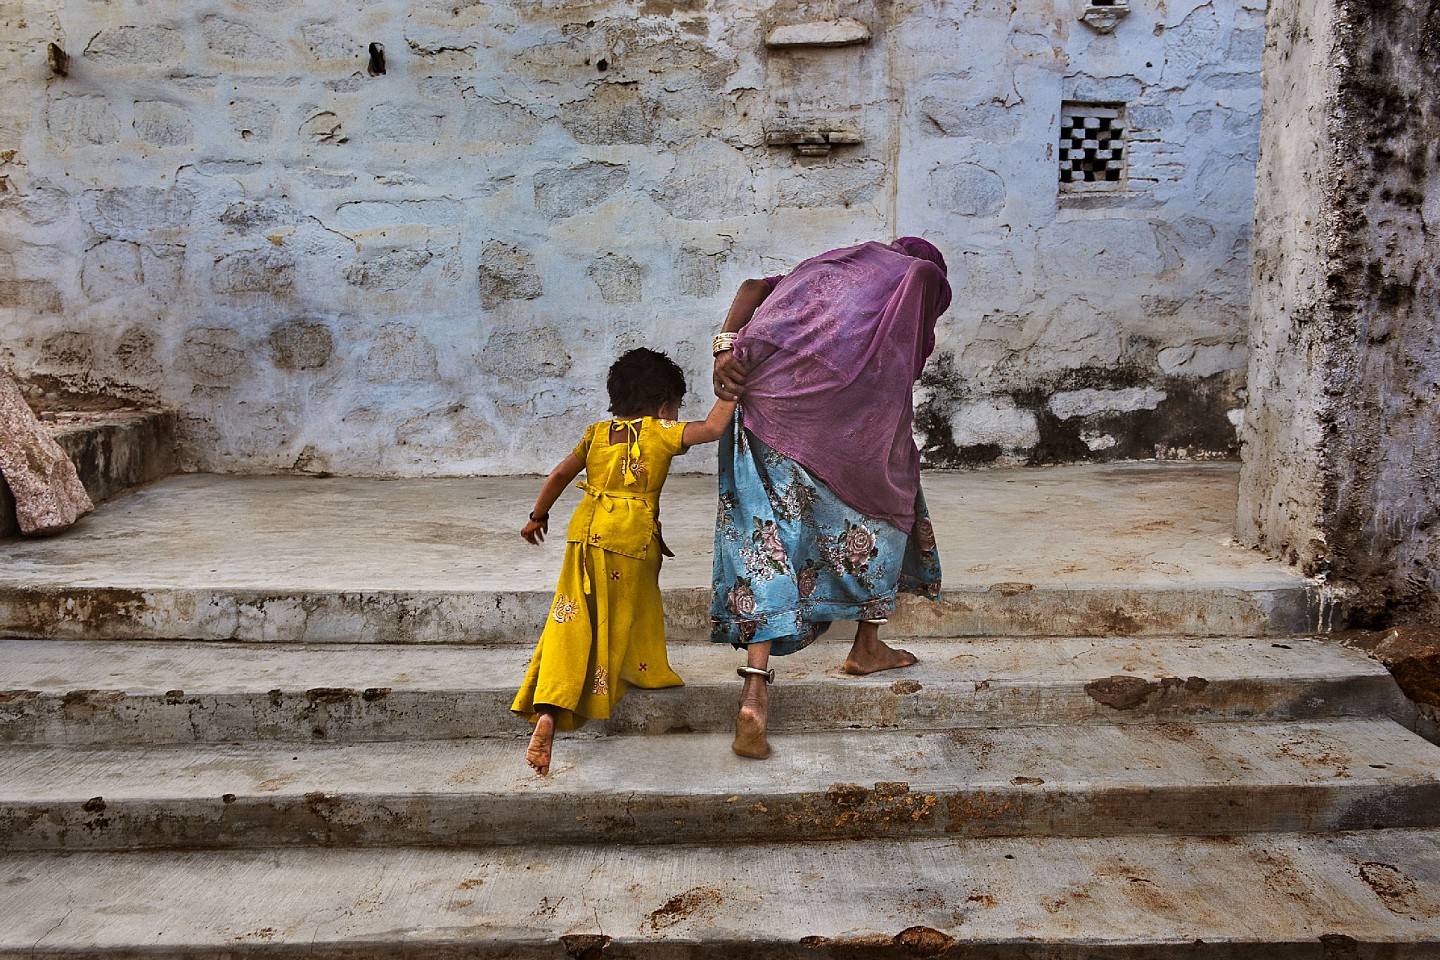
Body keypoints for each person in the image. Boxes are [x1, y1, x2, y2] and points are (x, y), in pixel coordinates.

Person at [709, 237, 951, 759]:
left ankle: (755, 691)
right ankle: (865, 646)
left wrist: (725, 346)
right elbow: (919, 301)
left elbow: (753, 286)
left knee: (766, 543)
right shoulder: (916, 278)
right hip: (847, 429)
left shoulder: (829, 270)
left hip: (766, 407)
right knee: (891, 505)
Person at [514, 347, 736, 776]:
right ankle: (633, 671)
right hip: (631, 540)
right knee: (623, 613)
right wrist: (734, 386)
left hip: (584, 533)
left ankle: (548, 708)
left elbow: (561, 474)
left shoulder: (596, 433)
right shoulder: (658, 432)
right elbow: (712, 428)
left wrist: (536, 517)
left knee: (572, 614)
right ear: (663, 405)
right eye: (675, 406)